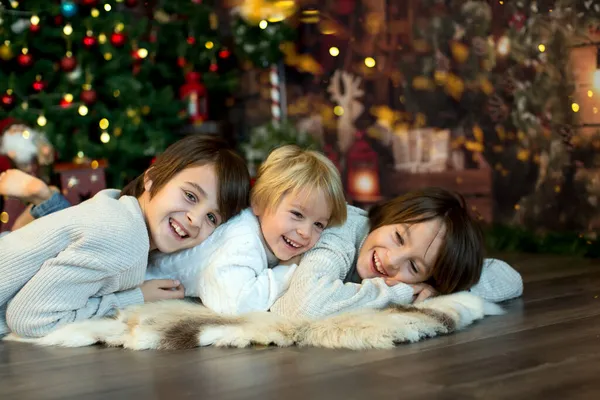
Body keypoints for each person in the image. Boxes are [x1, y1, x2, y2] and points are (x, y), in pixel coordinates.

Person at [0, 134, 250, 338]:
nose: (195, 220)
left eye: (212, 218)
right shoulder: (124, 238)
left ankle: (46, 202)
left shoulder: (117, 208)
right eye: (190, 196)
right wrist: (133, 298)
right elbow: (29, 318)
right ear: (151, 179)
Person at [146, 145, 347, 314]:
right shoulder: (244, 240)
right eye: (297, 214)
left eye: (319, 224)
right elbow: (238, 304)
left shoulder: (266, 237)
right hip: (143, 279)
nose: (306, 232)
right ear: (258, 203)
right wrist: (287, 270)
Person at [270, 187, 524, 319]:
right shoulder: (341, 233)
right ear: (388, 217)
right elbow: (303, 307)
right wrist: (398, 292)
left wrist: (441, 290)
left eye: (413, 267)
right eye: (399, 237)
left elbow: (509, 277)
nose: (391, 261)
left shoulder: (426, 275)